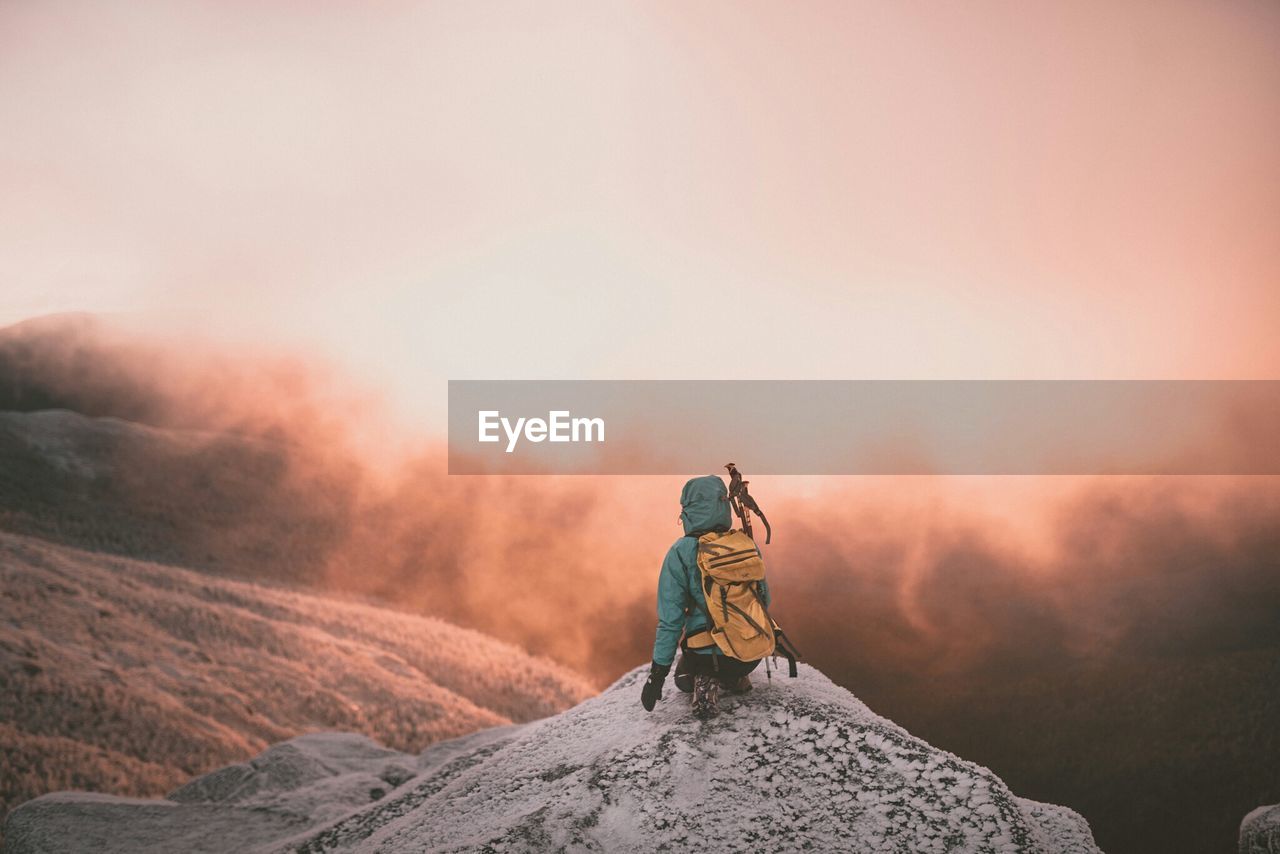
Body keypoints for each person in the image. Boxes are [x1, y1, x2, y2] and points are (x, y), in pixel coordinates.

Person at [640, 474, 769, 718]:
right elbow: (765, 601)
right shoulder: (745, 544)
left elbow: (671, 621)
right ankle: (737, 675)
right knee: (734, 652)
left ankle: (707, 679)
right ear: (723, 504)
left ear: (689, 510)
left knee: (682, 678)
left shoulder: (681, 552)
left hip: (707, 658)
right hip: (751, 653)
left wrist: (656, 677)